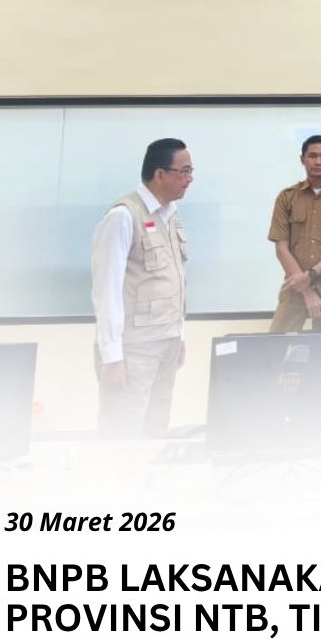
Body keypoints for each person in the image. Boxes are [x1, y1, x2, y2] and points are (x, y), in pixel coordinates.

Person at [90, 137, 192, 438]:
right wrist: (112, 357)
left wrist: (179, 335)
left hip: (166, 344)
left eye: (190, 172)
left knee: (155, 432)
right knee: (122, 432)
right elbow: (106, 290)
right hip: (133, 350)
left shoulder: (171, 214)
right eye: (184, 172)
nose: (189, 179)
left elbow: (173, 281)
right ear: (160, 174)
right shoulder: (123, 216)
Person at [267, 135, 321, 333]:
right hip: (295, 287)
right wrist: (306, 289)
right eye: (312, 156)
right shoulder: (287, 197)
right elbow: (281, 248)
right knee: (275, 345)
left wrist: (311, 275)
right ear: (302, 159)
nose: (318, 161)